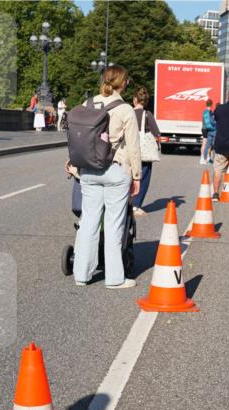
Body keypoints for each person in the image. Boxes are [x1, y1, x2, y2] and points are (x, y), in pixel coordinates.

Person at [72, 65, 142, 289]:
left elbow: (78, 137)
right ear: (123, 83)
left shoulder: (87, 104)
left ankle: (81, 275)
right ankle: (114, 279)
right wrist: (137, 176)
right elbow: (133, 148)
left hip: (88, 170)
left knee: (88, 222)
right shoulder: (125, 110)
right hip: (115, 170)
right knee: (113, 225)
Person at [131, 86, 161, 217]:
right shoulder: (147, 115)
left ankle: (127, 203)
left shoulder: (128, 113)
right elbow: (156, 132)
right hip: (144, 153)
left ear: (134, 100)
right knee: (144, 178)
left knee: (130, 177)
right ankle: (136, 205)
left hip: (129, 151)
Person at [202, 99, 216, 165]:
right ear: (211, 104)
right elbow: (212, 121)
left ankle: (204, 159)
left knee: (207, 146)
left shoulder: (204, 112)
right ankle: (214, 160)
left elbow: (204, 121)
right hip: (213, 130)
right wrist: (215, 122)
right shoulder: (209, 111)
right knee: (214, 146)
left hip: (207, 130)